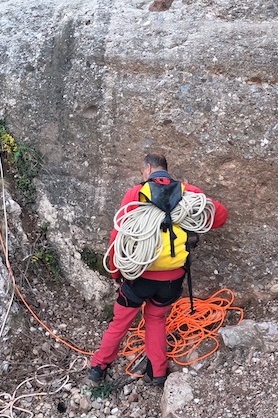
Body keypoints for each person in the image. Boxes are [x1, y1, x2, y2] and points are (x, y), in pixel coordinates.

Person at [88, 153, 228, 386]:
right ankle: (158, 373)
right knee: (156, 319)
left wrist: (115, 272)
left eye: (142, 172)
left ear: (148, 169)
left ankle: (98, 368)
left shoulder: (136, 194)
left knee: (120, 322)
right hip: (172, 280)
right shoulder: (187, 192)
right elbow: (220, 216)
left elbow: (117, 237)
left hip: (139, 277)